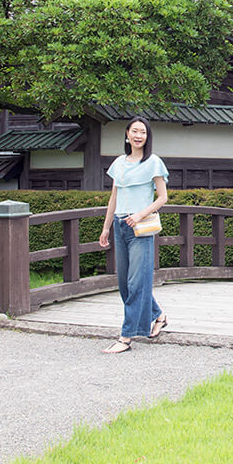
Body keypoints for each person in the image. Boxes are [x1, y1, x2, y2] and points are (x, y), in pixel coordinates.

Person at [98, 117, 169, 353]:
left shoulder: (154, 163)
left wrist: (139, 214)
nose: (139, 136)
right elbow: (113, 198)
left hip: (140, 228)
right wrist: (106, 227)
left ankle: (126, 337)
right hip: (120, 226)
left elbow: (162, 197)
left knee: (136, 282)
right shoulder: (119, 163)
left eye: (143, 132)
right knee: (125, 285)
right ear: (127, 134)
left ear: (147, 137)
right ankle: (158, 316)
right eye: (135, 131)